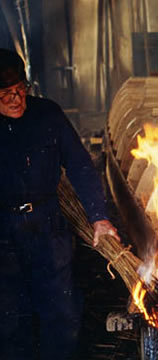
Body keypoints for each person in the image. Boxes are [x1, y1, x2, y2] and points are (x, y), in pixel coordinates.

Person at [0, 48, 120, 359]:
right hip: (3, 233)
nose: (16, 99)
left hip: (47, 225)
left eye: (20, 90)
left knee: (62, 315)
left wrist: (98, 216)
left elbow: (80, 166)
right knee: (10, 320)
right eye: (5, 94)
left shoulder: (47, 115)